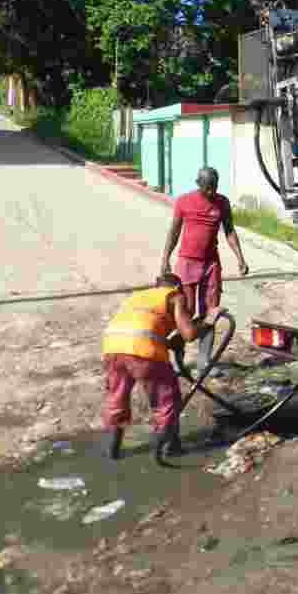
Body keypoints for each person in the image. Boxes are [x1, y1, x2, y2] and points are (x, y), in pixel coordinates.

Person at [100, 273, 221, 461]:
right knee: (167, 400)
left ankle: (112, 452)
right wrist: (208, 322)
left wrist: (170, 342)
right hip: (143, 352)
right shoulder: (175, 296)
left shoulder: (137, 297)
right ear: (177, 288)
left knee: (116, 399)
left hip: (112, 348)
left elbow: (144, 327)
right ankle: (167, 450)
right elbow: (188, 333)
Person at [161, 166, 248, 378]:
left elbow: (229, 230)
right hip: (187, 264)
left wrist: (240, 258)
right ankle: (177, 361)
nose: (211, 192)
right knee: (185, 313)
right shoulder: (184, 201)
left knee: (212, 312)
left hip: (211, 265)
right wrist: (165, 258)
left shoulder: (222, 203)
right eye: (208, 188)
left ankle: (203, 361)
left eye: (215, 187)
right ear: (198, 184)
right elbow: (174, 231)